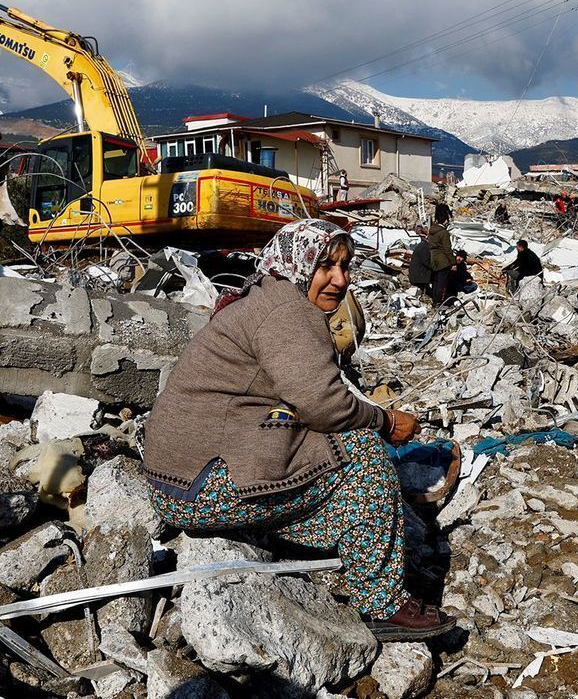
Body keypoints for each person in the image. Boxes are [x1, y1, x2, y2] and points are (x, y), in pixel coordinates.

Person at [142, 219, 454, 641]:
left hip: (177, 480)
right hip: (199, 486)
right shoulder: (288, 313)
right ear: (300, 263)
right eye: (326, 266)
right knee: (360, 453)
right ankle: (381, 602)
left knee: (315, 448)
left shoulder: (266, 296)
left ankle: (345, 542)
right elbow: (325, 406)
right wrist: (386, 421)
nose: (340, 280)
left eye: (346, 266)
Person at [427, 203, 455, 304]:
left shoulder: (431, 232)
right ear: (445, 220)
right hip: (443, 260)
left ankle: (435, 301)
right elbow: (447, 249)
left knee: (436, 282)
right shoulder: (444, 233)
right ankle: (441, 302)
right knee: (442, 283)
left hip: (433, 259)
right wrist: (453, 262)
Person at [408, 230, 432, 298]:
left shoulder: (423, 245)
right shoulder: (425, 247)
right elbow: (427, 262)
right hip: (419, 275)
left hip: (418, 274)